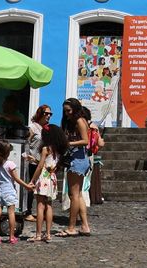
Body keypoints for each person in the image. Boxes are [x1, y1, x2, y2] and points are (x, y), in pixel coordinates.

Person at [56, 98, 92, 237]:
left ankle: (71, 227)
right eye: (65, 111)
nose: (66, 114)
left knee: (74, 195)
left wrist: (68, 143)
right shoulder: (72, 122)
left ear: (75, 109)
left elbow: (85, 141)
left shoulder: (79, 121)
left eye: (69, 111)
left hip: (78, 160)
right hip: (77, 159)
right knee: (79, 195)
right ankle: (84, 226)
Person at [0, 139, 33, 245]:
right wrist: (27, 186)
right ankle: (11, 236)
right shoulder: (10, 164)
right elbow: (16, 179)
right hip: (9, 191)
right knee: (11, 213)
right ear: (6, 152)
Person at [28, 125, 67, 242]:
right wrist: (34, 160)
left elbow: (40, 167)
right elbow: (48, 164)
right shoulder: (57, 149)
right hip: (52, 178)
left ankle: (38, 234)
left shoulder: (45, 148)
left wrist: (32, 180)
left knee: (40, 206)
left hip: (43, 178)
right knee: (49, 206)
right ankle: (48, 234)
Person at [23, 104, 51, 220]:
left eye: (50, 114)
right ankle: (28, 211)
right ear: (40, 114)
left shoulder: (47, 128)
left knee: (43, 187)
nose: (49, 116)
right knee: (31, 186)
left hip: (43, 162)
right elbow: (26, 143)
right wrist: (27, 156)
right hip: (33, 162)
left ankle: (42, 211)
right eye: (46, 113)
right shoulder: (33, 127)